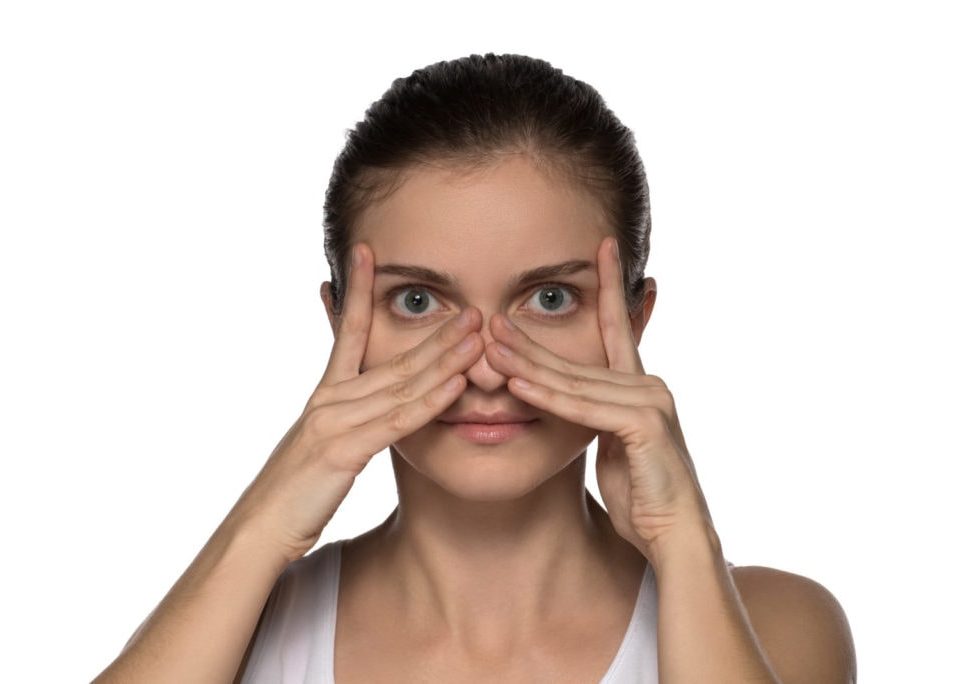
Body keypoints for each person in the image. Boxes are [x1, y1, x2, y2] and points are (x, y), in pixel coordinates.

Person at [94, 53, 857, 683]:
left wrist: (684, 541)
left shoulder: (776, 626)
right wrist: (272, 510)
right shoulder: (233, 629)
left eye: (549, 297)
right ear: (341, 325)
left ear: (633, 318)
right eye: (419, 301)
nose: (487, 367)